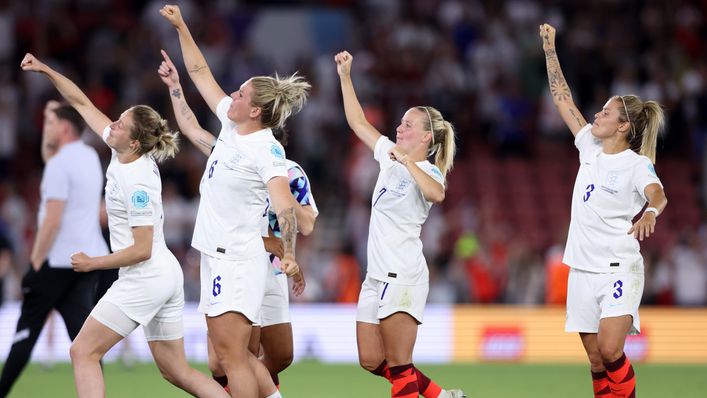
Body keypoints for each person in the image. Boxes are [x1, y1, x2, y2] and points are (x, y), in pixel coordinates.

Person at [19, 53, 229, 398]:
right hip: (161, 274)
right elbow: (79, 101)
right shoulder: (124, 150)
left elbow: (142, 248)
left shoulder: (138, 183)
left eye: (119, 124)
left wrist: (92, 263)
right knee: (177, 372)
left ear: (133, 141)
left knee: (82, 351)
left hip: (146, 276)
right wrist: (45, 70)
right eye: (116, 119)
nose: (111, 125)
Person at [160, 5, 308, 398]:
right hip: (215, 252)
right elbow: (200, 74)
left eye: (240, 93)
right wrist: (181, 27)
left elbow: (284, 206)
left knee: (234, 357)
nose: (233, 95)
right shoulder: (231, 125)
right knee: (226, 357)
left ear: (255, 110)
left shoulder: (267, 149)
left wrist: (289, 252)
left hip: (237, 257)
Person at [540, 23, 668, 398]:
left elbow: (657, 194)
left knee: (612, 350)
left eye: (606, 113)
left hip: (617, 266)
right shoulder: (588, 148)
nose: (597, 114)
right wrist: (550, 50)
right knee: (596, 361)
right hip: (581, 267)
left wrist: (650, 213)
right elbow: (563, 99)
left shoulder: (635, 163)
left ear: (623, 127)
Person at [335, 50, 466, 398]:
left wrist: (408, 162)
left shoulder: (427, 169)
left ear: (426, 138)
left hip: (403, 273)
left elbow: (437, 194)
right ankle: (440, 395)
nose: (399, 127)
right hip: (375, 274)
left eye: (408, 124)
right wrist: (346, 77)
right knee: (370, 359)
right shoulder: (389, 155)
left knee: (399, 363)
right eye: (401, 122)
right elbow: (358, 123)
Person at [0, 99, 108, 397]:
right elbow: (51, 154)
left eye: (49, 123)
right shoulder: (89, 157)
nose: (43, 127)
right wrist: (54, 114)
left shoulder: (60, 164)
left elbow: (52, 221)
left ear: (62, 129)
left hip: (56, 263)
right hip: (85, 263)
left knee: (25, 335)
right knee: (85, 343)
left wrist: (34, 262)